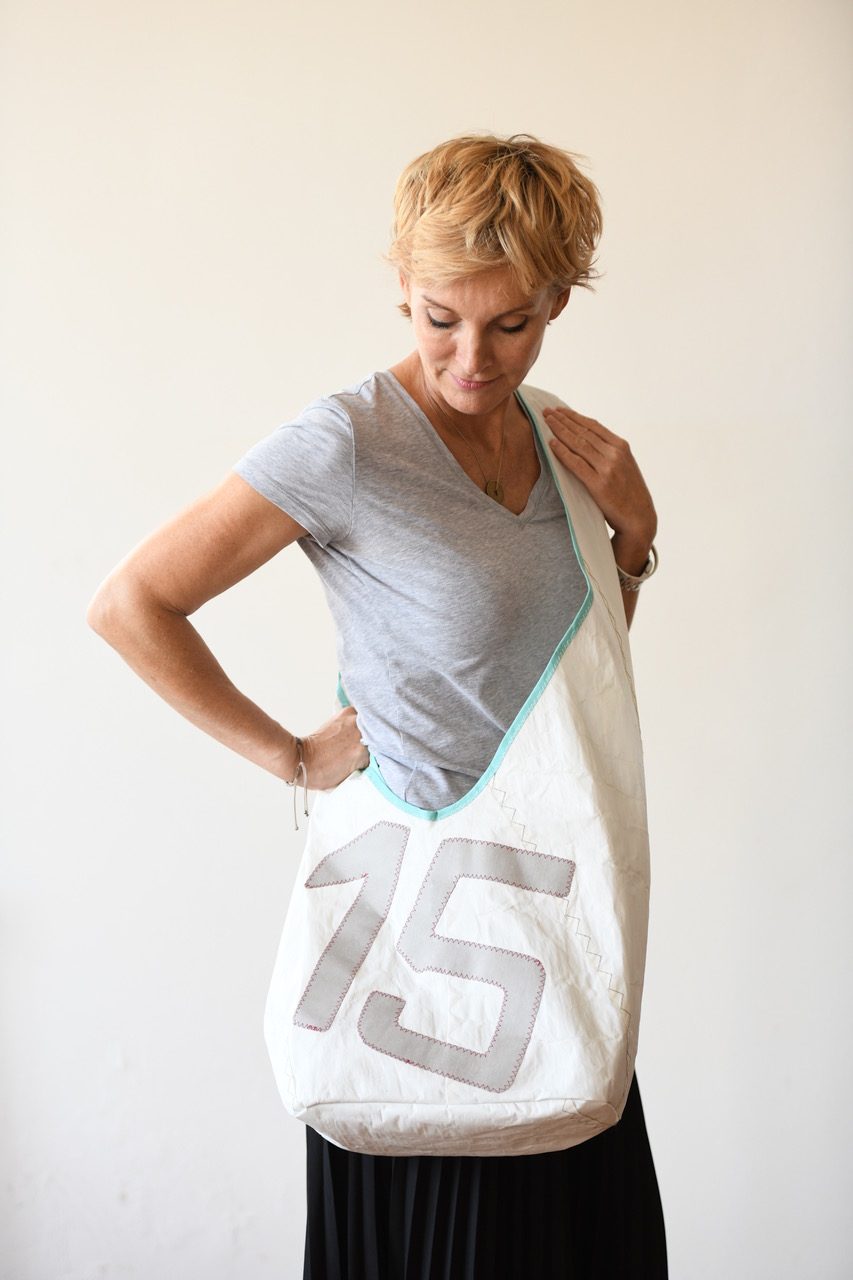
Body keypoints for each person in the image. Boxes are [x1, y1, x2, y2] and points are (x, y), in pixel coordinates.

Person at [88, 132, 667, 1278]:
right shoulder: (346, 441)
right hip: (419, 972)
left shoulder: (558, 438)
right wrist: (288, 753)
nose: (472, 358)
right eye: (440, 317)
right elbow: (132, 603)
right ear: (402, 283)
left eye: (512, 323)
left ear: (557, 299)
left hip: (544, 950)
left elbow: (566, 678)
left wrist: (634, 538)